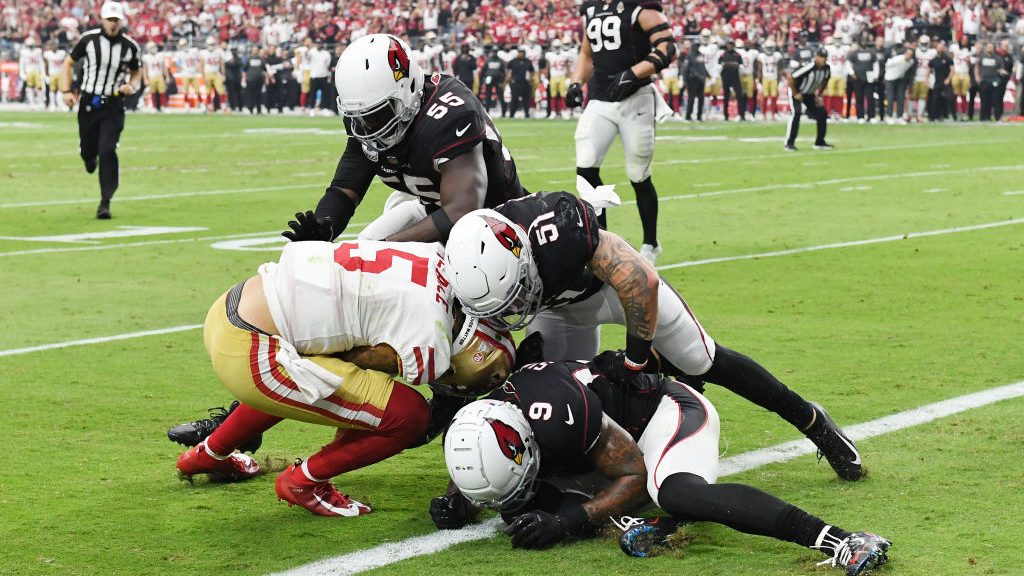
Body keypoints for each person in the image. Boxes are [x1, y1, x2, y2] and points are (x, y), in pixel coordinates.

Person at [442, 194, 863, 483]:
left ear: (523, 256)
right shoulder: (471, 261)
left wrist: (637, 358)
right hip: (559, 311)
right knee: (549, 394)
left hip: (613, 291)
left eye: (516, 294)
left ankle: (812, 421)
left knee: (704, 360)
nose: (515, 308)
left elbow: (640, 280)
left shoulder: (558, 228)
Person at [433, 361, 892, 576]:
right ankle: (659, 522)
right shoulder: (480, 424)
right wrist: (457, 501)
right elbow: (479, 464)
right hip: (592, 444)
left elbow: (631, 472)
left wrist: (570, 518)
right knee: (525, 513)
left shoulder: (558, 416)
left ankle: (839, 538)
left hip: (661, 414)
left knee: (674, 490)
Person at [172, 239, 515, 516]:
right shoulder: (432, 340)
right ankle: (304, 482)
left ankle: (210, 453)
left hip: (233, 304)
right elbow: (381, 406)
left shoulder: (436, 256)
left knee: (314, 365)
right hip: (251, 353)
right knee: (408, 415)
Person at [280, 34, 525, 246]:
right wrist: (324, 225)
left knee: (380, 258)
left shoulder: (449, 114)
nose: (370, 127)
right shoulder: (365, 123)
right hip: (431, 209)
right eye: (361, 117)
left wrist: (389, 246)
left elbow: (462, 210)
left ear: (408, 90)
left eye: (378, 114)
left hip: (495, 221)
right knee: (361, 252)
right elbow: (345, 189)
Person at [565, 0, 677, 263]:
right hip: (601, 98)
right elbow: (587, 53)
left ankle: (651, 243)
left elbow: (667, 47)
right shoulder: (591, 8)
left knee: (638, 174)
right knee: (586, 166)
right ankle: (600, 240)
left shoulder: (640, 6)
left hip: (635, 98)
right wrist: (575, 82)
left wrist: (633, 73)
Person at [59, 1, 141, 220]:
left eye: (116, 20)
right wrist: (66, 90)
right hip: (92, 99)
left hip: (113, 101)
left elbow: (136, 71)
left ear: (121, 21)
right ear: (102, 19)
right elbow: (68, 63)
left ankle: (105, 201)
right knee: (89, 148)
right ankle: (88, 156)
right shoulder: (88, 40)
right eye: (109, 20)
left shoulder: (130, 46)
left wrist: (131, 86)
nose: (112, 24)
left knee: (107, 149)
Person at [784, 48, 832, 151]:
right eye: (821, 57)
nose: (822, 59)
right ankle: (789, 143)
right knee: (796, 113)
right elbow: (791, 78)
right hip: (797, 91)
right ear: (816, 57)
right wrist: (796, 93)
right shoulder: (809, 67)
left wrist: (819, 96)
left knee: (822, 113)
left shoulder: (826, 69)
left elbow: (825, 81)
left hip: (809, 93)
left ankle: (820, 142)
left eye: (824, 57)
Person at [884, 46, 914, 123]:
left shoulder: (911, 62)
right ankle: (889, 116)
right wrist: (891, 73)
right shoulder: (898, 59)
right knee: (890, 97)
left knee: (901, 97)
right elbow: (887, 64)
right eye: (908, 54)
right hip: (890, 78)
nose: (909, 56)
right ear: (905, 53)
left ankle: (899, 117)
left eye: (911, 54)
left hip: (900, 79)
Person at [911, 35, 937, 122]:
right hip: (915, 76)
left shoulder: (932, 52)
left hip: (926, 77)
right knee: (912, 97)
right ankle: (910, 114)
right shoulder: (916, 51)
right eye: (923, 43)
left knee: (922, 97)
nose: (924, 45)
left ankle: (919, 115)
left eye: (925, 43)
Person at [719, 40, 745, 121]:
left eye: (731, 45)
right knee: (726, 96)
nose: (729, 46)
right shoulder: (723, 54)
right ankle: (726, 115)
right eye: (728, 45)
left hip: (735, 77)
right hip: (725, 77)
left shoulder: (737, 55)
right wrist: (732, 64)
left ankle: (742, 115)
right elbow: (720, 65)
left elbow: (740, 66)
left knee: (739, 95)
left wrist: (728, 64)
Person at [757, 39, 783, 121]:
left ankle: (773, 114)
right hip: (765, 78)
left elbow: (779, 69)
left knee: (774, 97)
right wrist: (759, 81)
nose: (769, 49)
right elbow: (760, 70)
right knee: (764, 97)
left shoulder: (777, 55)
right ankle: (764, 114)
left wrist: (780, 80)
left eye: (771, 47)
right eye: (768, 47)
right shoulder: (761, 56)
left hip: (774, 77)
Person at [927, 41, 954, 121]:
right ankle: (934, 116)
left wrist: (948, 79)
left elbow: (952, 70)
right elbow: (928, 70)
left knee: (949, 98)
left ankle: (952, 115)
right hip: (937, 82)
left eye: (941, 48)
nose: (940, 49)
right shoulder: (933, 60)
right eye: (939, 48)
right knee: (935, 99)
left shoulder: (948, 59)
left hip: (946, 81)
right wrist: (927, 79)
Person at [682, 38, 707, 121]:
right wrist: (685, 80)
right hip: (692, 80)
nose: (697, 47)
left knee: (701, 99)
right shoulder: (689, 56)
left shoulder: (701, 55)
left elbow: (703, 67)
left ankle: (699, 116)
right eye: (695, 46)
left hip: (701, 80)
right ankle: (688, 116)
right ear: (693, 46)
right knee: (691, 99)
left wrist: (706, 75)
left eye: (698, 46)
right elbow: (686, 69)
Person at [507, 47, 534, 118]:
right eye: (519, 52)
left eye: (522, 52)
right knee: (514, 99)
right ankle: (511, 115)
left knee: (526, 100)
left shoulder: (528, 61)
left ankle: (527, 114)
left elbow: (531, 71)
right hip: (515, 83)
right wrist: (509, 81)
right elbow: (509, 71)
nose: (520, 54)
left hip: (525, 83)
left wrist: (530, 80)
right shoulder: (513, 61)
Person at [175, 38, 202, 110]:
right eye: (182, 45)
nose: (183, 46)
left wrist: (198, 68)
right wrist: (180, 68)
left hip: (194, 73)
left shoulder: (194, 51)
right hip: (185, 74)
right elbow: (177, 64)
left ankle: (201, 103)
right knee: (186, 91)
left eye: (184, 44)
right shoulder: (179, 54)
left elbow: (200, 60)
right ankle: (187, 104)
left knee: (197, 90)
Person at [199, 36, 224, 112]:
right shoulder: (203, 52)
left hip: (216, 73)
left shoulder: (219, 51)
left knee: (221, 90)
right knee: (208, 91)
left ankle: (223, 106)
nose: (211, 46)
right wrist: (203, 76)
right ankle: (209, 106)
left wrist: (223, 74)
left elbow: (221, 63)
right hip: (207, 73)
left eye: (212, 44)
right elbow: (201, 66)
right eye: (210, 44)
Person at [480, 48, 508, 117]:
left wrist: (502, 81)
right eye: (493, 52)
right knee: (488, 96)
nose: (494, 53)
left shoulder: (500, 61)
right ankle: (487, 113)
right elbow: (483, 70)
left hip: (498, 81)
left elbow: (503, 72)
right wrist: (483, 79)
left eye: (495, 52)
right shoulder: (488, 61)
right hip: (489, 80)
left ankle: (503, 113)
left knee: (501, 96)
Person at [142, 42, 168, 112]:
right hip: (151, 76)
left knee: (162, 92)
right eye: (151, 47)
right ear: (148, 49)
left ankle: (164, 106)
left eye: (154, 46)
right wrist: (145, 79)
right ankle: (154, 107)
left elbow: (164, 67)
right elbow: (145, 69)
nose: (153, 48)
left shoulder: (160, 55)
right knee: (153, 93)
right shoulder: (146, 57)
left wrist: (167, 76)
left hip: (159, 76)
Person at [19, 36, 45, 107]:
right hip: (29, 72)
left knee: (39, 88)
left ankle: (41, 102)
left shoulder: (38, 51)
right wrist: (22, 73)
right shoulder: (24, 52)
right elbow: (21, 64)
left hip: (37, 71)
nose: (30, 47)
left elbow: (41, 62)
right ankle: (32, 103)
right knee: (30, 88)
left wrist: (43, 73)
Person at [43, 39, 67, 111]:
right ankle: (53, 105)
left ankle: (60, 104)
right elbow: (46, 65)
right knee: (52, 90)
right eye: (51, 45)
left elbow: (65, 63)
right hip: (52, 74)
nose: (52, 47)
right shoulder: (47, 54)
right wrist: (46, 75)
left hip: (60, 74)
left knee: (60, 90)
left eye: (53, 45)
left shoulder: (62, 53)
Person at [243, 46, 267, 115]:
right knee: (251, 95)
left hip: (259, 80)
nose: (255, 51)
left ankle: (259, 110)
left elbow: (264, 70)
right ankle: (251, 109)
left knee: (258, 95)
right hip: (250, 79)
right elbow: (245, 70)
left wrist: (265, 79)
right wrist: (244, 79)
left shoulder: (261, 59)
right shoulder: (249, 59)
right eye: (254, 50)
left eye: (256, 50)